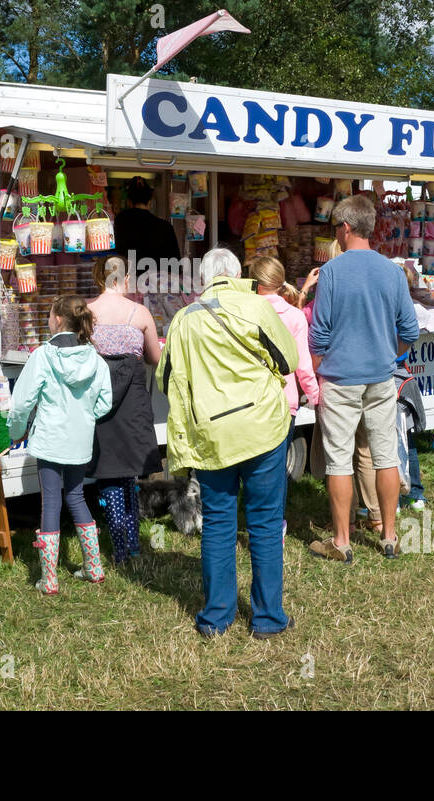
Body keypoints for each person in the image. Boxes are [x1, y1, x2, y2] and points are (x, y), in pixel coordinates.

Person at [158, 248, 298, 639]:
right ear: (238, 274)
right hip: (262, 429)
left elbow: (164, 377)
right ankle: (268, 618)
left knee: (218, 523)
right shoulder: (255, 307)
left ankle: (216, 618)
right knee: (265, 523)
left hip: (212, 435)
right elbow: (287, 360)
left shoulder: (183, 320)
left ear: (203, 278)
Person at [309, 195, 420, 562]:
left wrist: (319, 363)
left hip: (340, 377)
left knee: (339, 460)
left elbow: (319, 333)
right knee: (385, 456)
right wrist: (391, 352)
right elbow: (410, 329)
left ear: (344, 228)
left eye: (335, 230)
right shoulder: (392, 271)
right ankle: (389, 536)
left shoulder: (332, 273)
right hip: (380, 376)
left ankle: (342, 542)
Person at [7, 295, 114, 594]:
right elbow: (105, 402)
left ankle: (49, 578)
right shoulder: (95, 358)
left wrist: (16, 432)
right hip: (79, 439)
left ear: (56, 320)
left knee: (51, 501)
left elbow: (21, 403)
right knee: (77, 496)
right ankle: (93, 567)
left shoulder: (43, 355)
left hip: (51, 439)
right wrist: (84, 418)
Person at [87, 255, 163, 562]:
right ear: (124, 279)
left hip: (99, 399)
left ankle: (120, 545)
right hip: (132, 402)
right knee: (129, 474)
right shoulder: (140, 312)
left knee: (108, 474)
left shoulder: (87, 312)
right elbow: (155, 358)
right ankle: (131, 543)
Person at [246, 256, 320, 545]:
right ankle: (273, 524)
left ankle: (254, 520)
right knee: (276, 466)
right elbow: (302, 365)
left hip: (249, 398)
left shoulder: (243, 312)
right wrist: (314, 396)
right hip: (283, 401)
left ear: (254, 281)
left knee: (251, 462)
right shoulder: (294, 316)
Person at [113, 176, 181, 269]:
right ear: (150, 202)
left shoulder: (120, 221)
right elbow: (175, 264)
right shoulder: (165, 227)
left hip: (127, 279)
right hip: (159, 281)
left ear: (129, 202)